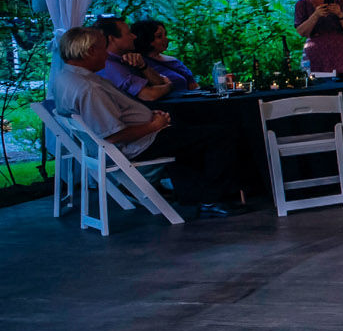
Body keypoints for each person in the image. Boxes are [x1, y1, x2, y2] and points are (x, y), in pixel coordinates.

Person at [47, 26, 243, 216]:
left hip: (127, 138)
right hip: (134, 144)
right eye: (102, 48)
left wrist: (147, 117)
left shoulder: (65, 77)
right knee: (220, 134)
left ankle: (194, 195)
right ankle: (213, 200)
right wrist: (153, 125)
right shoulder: (88, 87)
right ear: (89, 52)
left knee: (189, 136)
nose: (106, 54)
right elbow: (114, 135)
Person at [93, 17, 174, 101]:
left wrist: (143, 66)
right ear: (112, 39)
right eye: (128, 33)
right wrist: (169, 86)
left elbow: (159, 82)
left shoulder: (126, 59)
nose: (134, 36)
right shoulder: (108, 65)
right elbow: (149, 95)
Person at [128, 20, 199, 94]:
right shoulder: (138, 62)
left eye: (165, 35)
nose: (166, 39)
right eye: (159, 36)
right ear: (146, 39)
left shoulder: (173, 61)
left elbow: (193, 86)